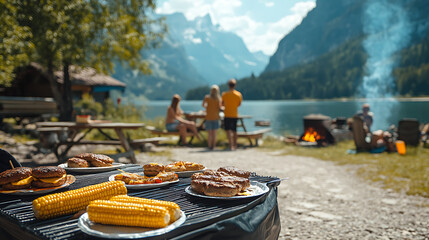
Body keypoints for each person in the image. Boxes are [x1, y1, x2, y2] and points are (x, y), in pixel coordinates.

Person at [222, 79, 242, 150]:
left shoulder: (224, 94)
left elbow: (222, 104)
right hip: (234, 114)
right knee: (234, 130)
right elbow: (239, 104)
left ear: (228, 85)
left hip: (227, 114)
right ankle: (235, 145)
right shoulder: (238, 94)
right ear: (235, 85)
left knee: (228, 130)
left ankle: (230, 145)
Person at [202, 85, 222, 150]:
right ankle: (213, 146)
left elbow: (203, 105)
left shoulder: (207, 97)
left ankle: (209, 146)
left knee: (209, 133)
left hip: (208, 117)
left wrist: (207, 108)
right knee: (214, 133)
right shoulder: (218, 99)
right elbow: (220, 108)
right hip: (216, 117)